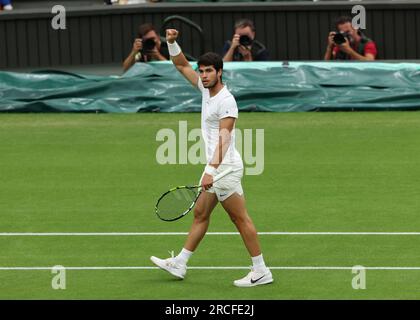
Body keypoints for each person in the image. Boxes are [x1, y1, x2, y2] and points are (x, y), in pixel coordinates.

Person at [150, 28, 273, 288]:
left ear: (220, 72)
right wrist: (172, 42)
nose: (204, 75)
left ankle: (261, 270)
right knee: (200, 214)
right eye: (202, 71)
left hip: (223, 168)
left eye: (208, 71)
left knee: (240, 219)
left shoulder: (226, 101)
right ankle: (181, 262)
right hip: (218, 167)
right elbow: (181, 64)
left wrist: (210, 170)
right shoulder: (205, 90)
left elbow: (225, 138)